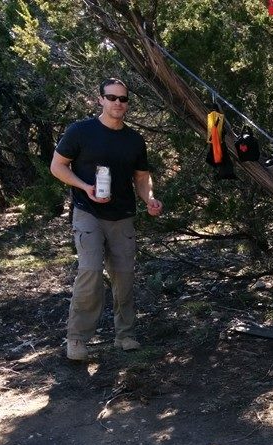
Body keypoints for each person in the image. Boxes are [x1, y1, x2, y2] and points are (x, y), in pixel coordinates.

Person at [50, 77, 163, 362]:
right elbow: (57, 166)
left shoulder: (134, 140)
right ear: (100, 99)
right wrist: (84, 187)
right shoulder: (81, 131)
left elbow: (141, 178)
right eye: (111, 97)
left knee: (123, 277)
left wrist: (149, 198)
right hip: (88, 212)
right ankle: (77, 339)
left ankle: (125, 334)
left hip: (122, 215)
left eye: (122, 99)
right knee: (89, 272)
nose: (117, 103)